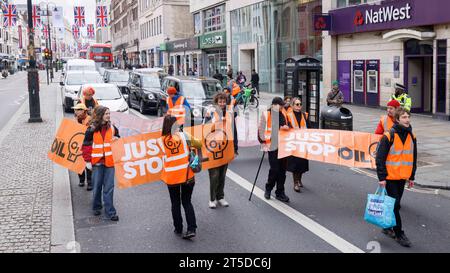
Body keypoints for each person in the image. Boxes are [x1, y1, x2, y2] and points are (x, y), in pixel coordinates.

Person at [376, 107, 417, 248]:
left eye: (408, 116)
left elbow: (413, 157)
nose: (407, 119)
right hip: (390, 177)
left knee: (395, 204)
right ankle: (399, 233)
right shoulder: (389, 136)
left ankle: (387, 227)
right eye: (404, 117)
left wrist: (412, 176)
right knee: (395, 204)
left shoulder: (412, 135)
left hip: (402, 177)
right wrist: (382, 178)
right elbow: (380, 158)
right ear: (397, 119)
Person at [158, 115, 202, 239]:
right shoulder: (184, 135)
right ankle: (191, 228)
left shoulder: (160, 141)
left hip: (171, 177)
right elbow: (199, 143)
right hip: (187, 175)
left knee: (175, 203)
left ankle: (178, 228)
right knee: (187, 202)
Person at [81, 106, 120, 221]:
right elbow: (86, 146)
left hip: (109, 162)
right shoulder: (91, 129)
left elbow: (118, 139)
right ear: (100, 115)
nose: (108, 115)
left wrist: (117, 139)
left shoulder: (113, 128)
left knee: (109, 187)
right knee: (97, 187)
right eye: (106, 113)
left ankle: (110, 212)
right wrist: (88, 161)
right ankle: (96, 206)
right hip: (97, 163)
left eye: (109, 113)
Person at [204, 93, 234, 208]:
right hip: (212, 148)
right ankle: (212, 199)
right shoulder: (210, 112)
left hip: (225, 148)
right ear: (216, 102)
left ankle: (220, 197)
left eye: (224, 102)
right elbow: (204, 128)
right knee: (214, 175)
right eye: (220, 102)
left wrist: (234, 148)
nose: (222, 104)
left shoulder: (229, 113)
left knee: (222, 174)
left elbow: (232, 131)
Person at [258, 97, 290, 202]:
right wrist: (263, 142)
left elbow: (288, 126)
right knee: (274, 169)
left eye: (282, 105)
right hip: (272, 146)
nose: (281, 107)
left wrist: (286, 127)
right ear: (273, 105)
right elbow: (261, 130)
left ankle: (280, 192)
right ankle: (268, 188)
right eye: (279, 105)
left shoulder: (283, 113)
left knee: (282, 170)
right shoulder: (266, 114)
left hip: (283, 146)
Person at [286, 98, 310, 192]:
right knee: (295, 164)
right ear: (292, 105)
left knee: (302, 163)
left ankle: (299, 180)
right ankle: (295, 183)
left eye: (300, 104)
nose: (299, 106)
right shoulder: (288, 115)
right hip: (294, 143)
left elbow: (309, 127)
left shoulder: (304, 115)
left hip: (303, 143)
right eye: (297, 104)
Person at [72, 103, 93, 191]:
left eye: (78, 110)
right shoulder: (75, 120)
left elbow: (91, 133)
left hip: (87, 145)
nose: (76, 111)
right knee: (78, 163)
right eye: (75, 110)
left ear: (84, 111)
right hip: (77, 145)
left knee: (88, 165)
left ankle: (89, 182)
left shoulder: (90, 120)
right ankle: (81, 180)